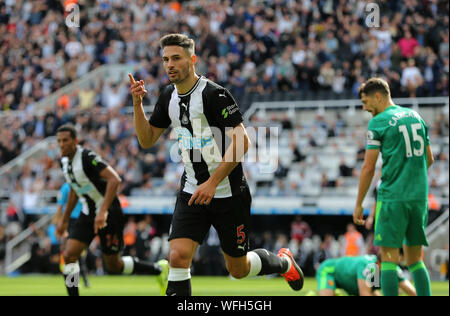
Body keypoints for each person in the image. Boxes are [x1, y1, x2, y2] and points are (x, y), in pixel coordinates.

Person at [129, 33, 304, 296]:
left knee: (238, 269)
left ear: (193, 59)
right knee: (177, 256)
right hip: (192, 191)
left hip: (228, 194)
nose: (169, 65)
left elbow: (242, 141)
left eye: (176, 58)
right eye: (165, 59)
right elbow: (146, 139)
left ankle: (283, 262)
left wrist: (212, 183)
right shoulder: (168, 97)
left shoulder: (215, 95)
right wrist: (137, 104)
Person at [55, 124, 169, 296]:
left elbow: (114, 179)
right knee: (70, 255)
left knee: (114, 265)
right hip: (88, 213)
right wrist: (63, 220)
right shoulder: (64, 162)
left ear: (75, 141)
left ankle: (158, 269)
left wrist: (103, 212)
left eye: (65, 140)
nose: (61, 144)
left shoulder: (86, 156)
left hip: (110, 213)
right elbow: (74, 190)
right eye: (59, 141)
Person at [353, 77, 434, 296]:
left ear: (378, 97)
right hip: (418, 197)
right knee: (415, 260)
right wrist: (410, 177)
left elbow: (368, 167)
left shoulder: (378, 121)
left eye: (366, 102)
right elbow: (429, 159)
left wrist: (359, 203)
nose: (365, 108)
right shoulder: (415, 116)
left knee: (388, 259)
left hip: (392, 198)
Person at [315, 255, 417, 296]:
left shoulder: (393, 269)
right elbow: (365, 294)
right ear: (379, 264)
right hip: (329, 270)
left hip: (347, 282)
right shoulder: (370, 266)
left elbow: (412, 292)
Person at [53, 182, 90, 288]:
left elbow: (60, 207)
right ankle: (82, 280)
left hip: (72, 221)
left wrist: (58, 224)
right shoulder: (82, 184)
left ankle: (73, 283)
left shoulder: (66, 187)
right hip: (83, 220)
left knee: (71, 253)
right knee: (76, 253)